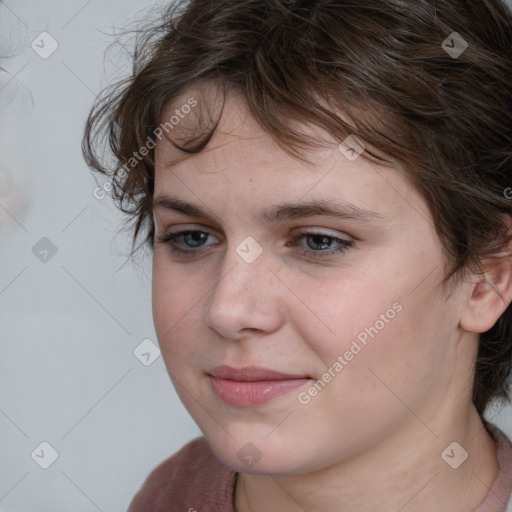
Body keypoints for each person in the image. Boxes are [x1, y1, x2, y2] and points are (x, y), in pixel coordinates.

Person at [82, 0, 512, 510]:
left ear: (487, 275)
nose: (228, 311)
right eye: (192, 237)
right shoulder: (166, 497)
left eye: (318, 241)